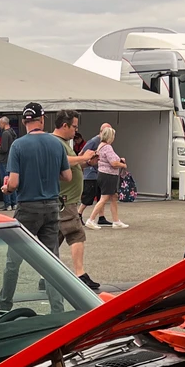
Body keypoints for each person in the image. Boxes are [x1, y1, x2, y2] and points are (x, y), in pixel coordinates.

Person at [0, 101, 70, 311]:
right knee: (52, 261)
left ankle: (5, 305)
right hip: (52, 207)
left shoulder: (18, 145)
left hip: (28, 208)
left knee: (13, 260)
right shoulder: (56, 144)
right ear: (42, 120)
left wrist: (7, 190)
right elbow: (67, 176)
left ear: (24, 122)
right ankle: (57, 310)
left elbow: (13, 183)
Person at [52, 110, 100, 291]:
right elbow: (61, 160)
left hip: (65, 199)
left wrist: (87, 163)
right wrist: (83, 157)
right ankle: (80, 274)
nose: (76, 131)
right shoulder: (55, 143)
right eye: (74, 127)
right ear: (64, 125)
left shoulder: (63, 143)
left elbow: (70, 163)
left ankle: (45, 275)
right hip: (65, 200)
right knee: (76, 233)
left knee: (54, 239)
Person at [84, 127, 129, 229]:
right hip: (108, 175)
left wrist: (119, 160)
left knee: (113, 197)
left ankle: (116, 221)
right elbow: (113, 163)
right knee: (104, 198)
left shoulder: (101, 146)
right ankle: (91, 219)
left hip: (103, 174)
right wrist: (123, 165)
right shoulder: (108, 147)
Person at [80, 123, 109, 224]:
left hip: (99, 173)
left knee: (100, 196)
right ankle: (79, 214)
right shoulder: (93, 141)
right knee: (88, 196)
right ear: (101, 131)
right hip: (91, 173)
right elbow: (82, 153)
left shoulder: (105, 143)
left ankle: (101, 217)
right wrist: (88, 162)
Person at [0, 115, 18, 212]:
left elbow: (4, 149)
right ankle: (14, 203)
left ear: (4, 123)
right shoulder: (13, 132)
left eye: (0, 123)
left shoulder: (5, 134)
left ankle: (7, 204)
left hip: (4, 160)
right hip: (11, 160)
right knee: (11, 181)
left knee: (5, 182)